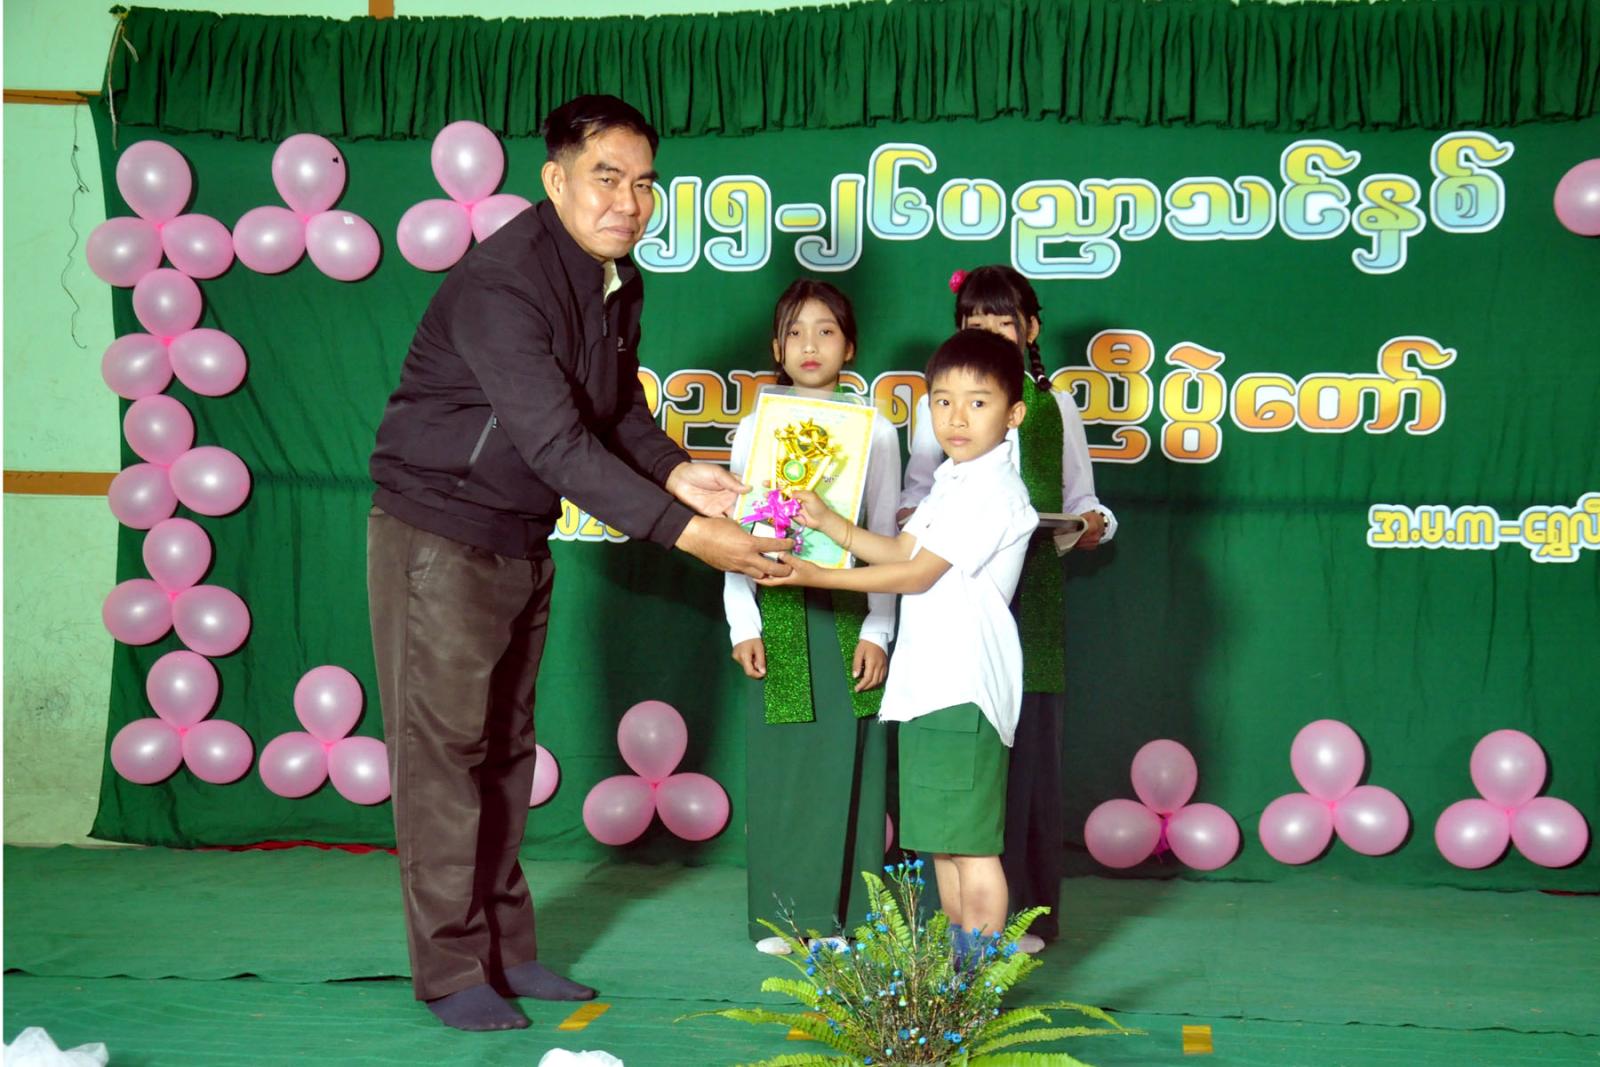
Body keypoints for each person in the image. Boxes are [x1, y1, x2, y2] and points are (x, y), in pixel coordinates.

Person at [366, 95, 791, 1032]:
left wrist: (680, 472)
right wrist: (691, 534)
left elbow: (614, 404)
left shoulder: (615, 275)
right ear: (554, 179)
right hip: (438, 536)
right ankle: (450, 969)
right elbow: (557, 443)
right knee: (445, 758)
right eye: (606, 178)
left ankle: (508, 950)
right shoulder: (503, 284)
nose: (628, 202)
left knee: (505, 753)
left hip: (518, 535)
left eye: (644, 183)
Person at [760, 328, 1038, 959]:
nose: (956, 417)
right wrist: (831, 524)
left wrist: (815, 574)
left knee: (972, 848)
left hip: (964, 689)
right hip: (926, 688)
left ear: (1013, 414)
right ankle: (958, 975)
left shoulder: (995, 489)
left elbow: (917, 575)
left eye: (978, 402)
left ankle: (978, 982)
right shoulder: (953, 479)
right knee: (942, 845)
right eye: (942, 401)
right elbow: (901, 550)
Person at [898, 265, 1118, 952]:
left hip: (1034, 598)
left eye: (1003, 320)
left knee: (1028, 762)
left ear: (1031, 328)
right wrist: (914, 521)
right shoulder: (944, 410)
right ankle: (960, 932)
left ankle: (1027, 920)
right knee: (962, 770)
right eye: (976, 321)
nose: (991, 331)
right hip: (954, 602)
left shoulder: (1055, 407)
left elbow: (1086, 498)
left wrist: (1091, 524)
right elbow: (917, 492)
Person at [723, 280, 901, 953]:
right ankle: (783, 918)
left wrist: (879, 630)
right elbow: (735, 531)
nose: (809, 345)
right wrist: (743, 621)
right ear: (776, 348)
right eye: (795, 332)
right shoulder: (754, 428)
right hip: (776, 607)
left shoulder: (877, 429)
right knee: (783, 767)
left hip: (848, 609)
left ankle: (845, 917)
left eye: (826, 330)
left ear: (850, 346)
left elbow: (885, 535)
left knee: (845, 765)